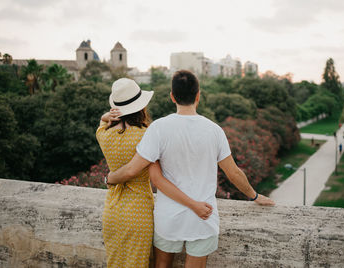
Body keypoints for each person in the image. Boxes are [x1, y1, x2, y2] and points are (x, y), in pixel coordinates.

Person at [107, 70, 275, 268]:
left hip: (168, 218)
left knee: (162, 265)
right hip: (203, 217)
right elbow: (233, 173)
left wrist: (109, 178)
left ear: (172, 96)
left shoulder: (158, 128)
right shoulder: (214, 130)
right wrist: (254, 196)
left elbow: (131, 171)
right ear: (198, 96)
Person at [96, 78, 213, 268]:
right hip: (138, 210)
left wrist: (108, 116)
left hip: (112, 211)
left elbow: (102, 121)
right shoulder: (146, 134)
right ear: (141, 105)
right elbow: (157, 175)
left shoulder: (102, 133)